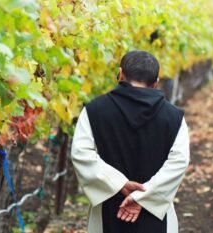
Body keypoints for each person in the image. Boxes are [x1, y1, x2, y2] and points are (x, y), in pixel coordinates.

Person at [71, 51, 190, 233]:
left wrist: (119, 184)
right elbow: (178, 162)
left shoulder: (94, 110)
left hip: (109, 210)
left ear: (120, 74)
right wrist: (146, 195)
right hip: (156, 213)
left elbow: (81, 154)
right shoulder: (174, 117)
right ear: (156, 81)